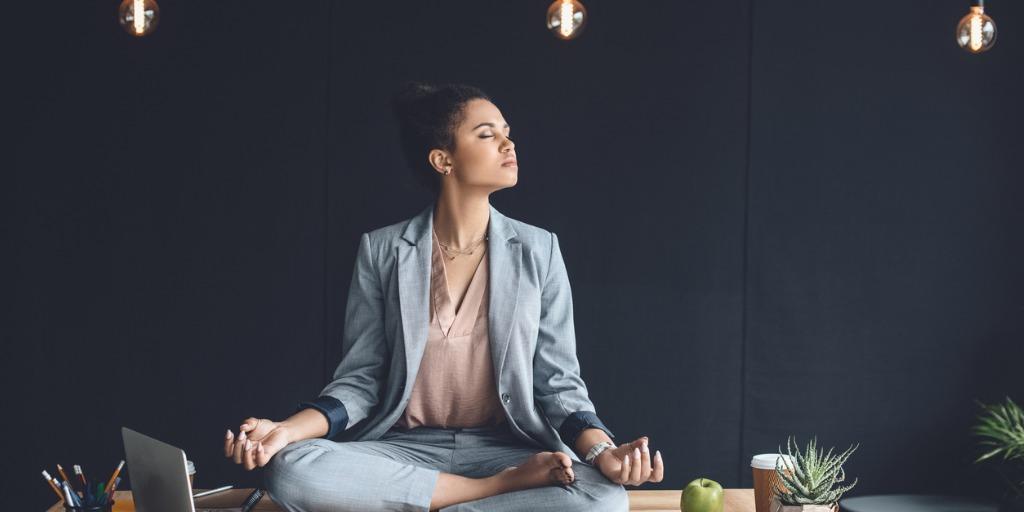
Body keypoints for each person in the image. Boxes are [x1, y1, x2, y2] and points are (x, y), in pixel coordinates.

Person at [221, 82, 665, 511]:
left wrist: (602, 453)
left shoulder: (539, 250)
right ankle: (490, 491)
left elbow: (558, 384)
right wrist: (285, 431)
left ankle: (441, 501)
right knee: (292, 469)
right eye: (487, 134)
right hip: (404, 451)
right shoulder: (382, 250)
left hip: (508, 448)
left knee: (604, 499)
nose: (508, 144)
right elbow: (361, 382)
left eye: (507, 133)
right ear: (442, 159)